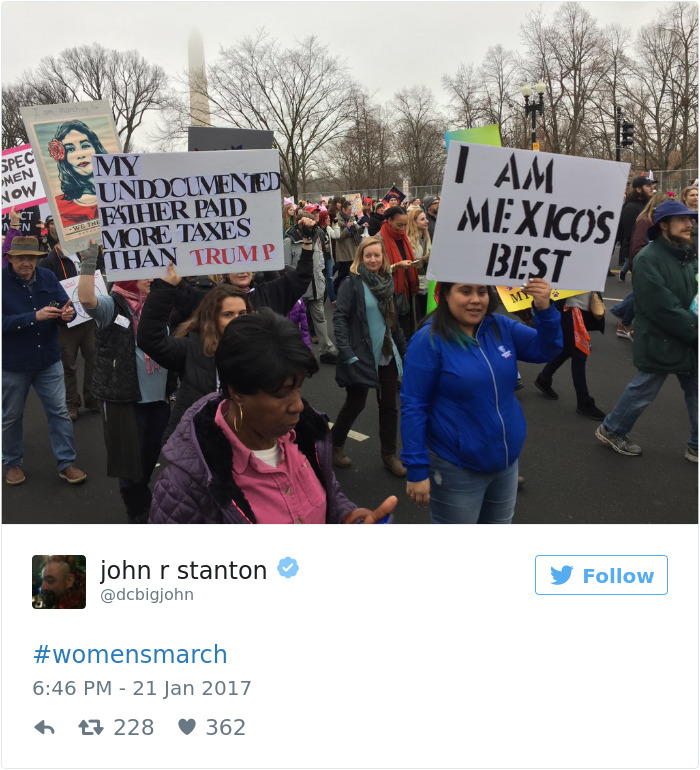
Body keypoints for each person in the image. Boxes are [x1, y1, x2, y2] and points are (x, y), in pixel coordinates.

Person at [149, 308, 397, 524]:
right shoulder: (185, 487)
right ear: (236, 391)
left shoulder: (307, 438)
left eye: (299, 387)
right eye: (280, 394)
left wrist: (346, 516)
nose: (298, 405)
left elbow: (330, 492)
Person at [400, 280, 562, 523]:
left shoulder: (499, 326)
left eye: (482, 292)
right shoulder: (428, 340)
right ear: (445, 295)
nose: (476, 299)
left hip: (506, 462)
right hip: (456, 467)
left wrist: (544, 309)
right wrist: (416, 468)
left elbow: (546, 349)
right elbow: (413, 406)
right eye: (465, 291)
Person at [596, 200, 698, 462]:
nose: (690, 224)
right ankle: (612, 429)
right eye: (683, 219)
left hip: (687, 337)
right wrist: (695, 329)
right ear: (664, 225)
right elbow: (663, 308)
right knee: (643, 390)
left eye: (691, 219)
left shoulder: (686, 254)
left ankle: (697, 445)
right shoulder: (647, 259)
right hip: (661, 339)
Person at [78, 244, 169, 523]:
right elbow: (86, 299)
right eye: (144, 273)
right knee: (130, 462)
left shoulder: (157, 304)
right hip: (126, 398)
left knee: (150, 455)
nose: (150, 278)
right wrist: (89, 260)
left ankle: (141, 496)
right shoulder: (112, 305)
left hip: (159, 396)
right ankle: (136, 507)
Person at [2, 236, 86, 486]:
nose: (26, 263)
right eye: (20, 258)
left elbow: (64, 306)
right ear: (10, 259)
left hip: (48, 359)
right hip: (13, 363)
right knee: (11, 416)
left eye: (31, 258)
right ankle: (13, 463)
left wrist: (67, 314)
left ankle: (66, 462)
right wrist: (34, 317)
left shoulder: (47, 277)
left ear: (38, 259)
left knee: (59, 412)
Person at [137, 267, 252, 444]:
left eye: (242, 314)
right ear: (212, 318)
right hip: (198, 439)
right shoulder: (193, 348)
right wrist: (165, 288)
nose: (237, 320)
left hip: (244, 438)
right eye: (228, 314)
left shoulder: (259, 349)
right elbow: (151, 340)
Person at [331, 237, 407, 477]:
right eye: (368, 256)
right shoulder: (351, 283)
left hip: (386, 353)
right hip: (361, 354)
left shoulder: (386, 282)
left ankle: (389, 455)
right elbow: (340, 318)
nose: (373, 260)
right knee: (356, 403)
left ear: (383, 258)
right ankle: (335, 445)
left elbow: (393, 323)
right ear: (360, 258)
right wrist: (346, 351)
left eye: (377, 255)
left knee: (389, 406)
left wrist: (405, 351)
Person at [39, 242, 100, 421]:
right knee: (68, 364)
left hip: (88, 317)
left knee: (94, 358)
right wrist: (58, 311)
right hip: (66, 322)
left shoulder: (84, 254)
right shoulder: (49, 260)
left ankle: (92, 397)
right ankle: (71, 402)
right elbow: (44, 291)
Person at [534, 292, 606, 420]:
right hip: (572, 307)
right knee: (579, 354)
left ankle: (544, 378)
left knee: (568, 349)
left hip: (581, 306)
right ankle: (583, 399)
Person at [611, 191, 667, 340]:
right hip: (644, 266)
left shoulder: (655, 221)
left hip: (652, 266)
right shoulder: (645, 221)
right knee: (641, 296)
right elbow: (637, 248)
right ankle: (624, 323)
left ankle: (620, 312)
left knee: (641, 295)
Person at [285, 210, 338, 364]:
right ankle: (298, 355)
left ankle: (326, 351)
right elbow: (285, 267)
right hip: (298, 292)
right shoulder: (289, 242)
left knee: (320, 319)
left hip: (316, 288)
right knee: (297, 324)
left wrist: (321, 280)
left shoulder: (316, 237)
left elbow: (320, 261)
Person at [46, 119, 108, 228]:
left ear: (96, 148)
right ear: (64, 158)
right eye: (70, 149)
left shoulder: (122, 192)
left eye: (85, 146)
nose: (80, 155)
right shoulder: (58, 205)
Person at [378, 206, 419, 340]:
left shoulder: (403, 237)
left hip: (407, 288)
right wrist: (397, 266)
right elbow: (376, 269)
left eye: (405, 225)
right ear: (389, 220)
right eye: (399, 225)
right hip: (391, 292)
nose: (403, 228)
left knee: (409, 324)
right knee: (398, 328)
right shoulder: (379, 239)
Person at [618, 176, 656, 280]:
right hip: (637, 253)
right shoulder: (631, 207)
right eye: (648, 185)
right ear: (639, 189)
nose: (652, 187)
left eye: (652, 185)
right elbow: (630, 235)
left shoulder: (645, 205)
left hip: (647, 251)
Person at [406, 207, 432, 323]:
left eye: (426, 218)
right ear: (414, 223)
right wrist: (422, 259)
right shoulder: (408, 240)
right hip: (416, 283)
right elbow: (408, 263)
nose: (427, 221)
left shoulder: (426, 237)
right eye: (422, 219)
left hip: (428, 282)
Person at [333, 199, 363, 294]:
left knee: (354, 274)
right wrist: (347, 228)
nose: (351, 212)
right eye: (349, 210)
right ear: (343, 209)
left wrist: (362, 227)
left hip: (354, 251)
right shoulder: (337, 220)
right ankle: (335, 290)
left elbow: (359, 231)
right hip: (344, 253)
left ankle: (351, 292)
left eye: (351, 209)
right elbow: (339, 237)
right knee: (343, 275)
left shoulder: (352, 218)